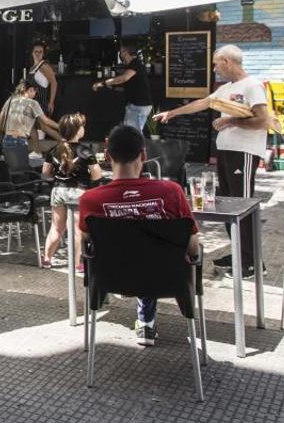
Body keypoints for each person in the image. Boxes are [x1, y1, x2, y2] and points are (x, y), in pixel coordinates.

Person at [153, 44, 270, 277]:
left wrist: (230, 122)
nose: (215, 68)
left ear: (227, 61)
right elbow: (203, 103)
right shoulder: (226, 88)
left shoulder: (252, 86)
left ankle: (252, 262)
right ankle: (239, 253)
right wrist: (172, 113)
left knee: (242, 204)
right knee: (227, 205)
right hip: (227, 152)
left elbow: (263, 120)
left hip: (244, 152)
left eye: (217, 63)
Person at [78, 124, 200, 347]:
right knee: (150, 255)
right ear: (143, 155)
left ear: (107, 156)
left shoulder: (89, 200)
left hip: (111, 278)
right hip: (167, 280)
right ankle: (147, 321)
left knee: (130, 254)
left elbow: (86, 244)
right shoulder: (172, 192)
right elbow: (193, 247)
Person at [40, 113, 102, 270]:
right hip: (78, 193)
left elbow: (46, 173)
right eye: (82, 127)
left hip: (58, 191)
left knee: (56, 227)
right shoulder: (86, 151)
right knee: (76, 230)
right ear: (77, 131)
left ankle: (47, 258)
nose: (83, 129)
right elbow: (97, 174)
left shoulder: (53, 150)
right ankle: (75, 263)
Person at [0, 77, 60, 163]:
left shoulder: (10, 100)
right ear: (30, 90)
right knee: (20, 168)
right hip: (20, 141)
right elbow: (46, 121)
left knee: (12, 167)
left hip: (7, 140)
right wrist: (61, 126)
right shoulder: (33, 103)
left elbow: (0, 118)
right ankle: (62, 141)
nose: (35, 95)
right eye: (35, 92)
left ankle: (37, 152)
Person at [93, 43, 152, 132]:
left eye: (121, 52)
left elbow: (124, 78)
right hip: (136, 105)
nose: (120, 55)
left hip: (138, 106)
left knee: (132, 135)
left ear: (125, 52)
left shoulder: (135, 64)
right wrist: (112, 87)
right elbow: (127, 88)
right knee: (131, 134)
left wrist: (104, 83)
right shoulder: (132, 65)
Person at [27, 41, 58, 115]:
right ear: (32, 53)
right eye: (35, 52)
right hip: (32, 104)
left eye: (40, 52)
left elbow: (54, 83)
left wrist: (51, 102)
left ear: (43, 54)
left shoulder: (44, 66)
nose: (37, 54)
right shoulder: (32, 68)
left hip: (42, 104)